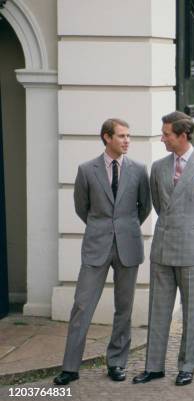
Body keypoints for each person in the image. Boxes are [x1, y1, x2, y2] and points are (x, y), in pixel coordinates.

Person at [133, 111, 194, 386]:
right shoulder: (159, 166)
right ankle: (154, 367)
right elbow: (160, 206)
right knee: (158, 309)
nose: (162, 138)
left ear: (183, 135)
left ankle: (187, 366)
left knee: (191, 312)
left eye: (166, 134)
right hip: (163, 247)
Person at [54, 118, 152, 385]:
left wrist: (124, 228)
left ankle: (117, 363)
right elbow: (81, 207)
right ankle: (70, 367)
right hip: (96, 246)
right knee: (82, 305)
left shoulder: (139, 170)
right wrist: (103, 227)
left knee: (124, 308)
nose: (127, 141)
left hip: (128, 247)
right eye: (121, 136)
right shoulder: (86, 170)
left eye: (128, 136)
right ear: (107, 138)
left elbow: (144, 208)